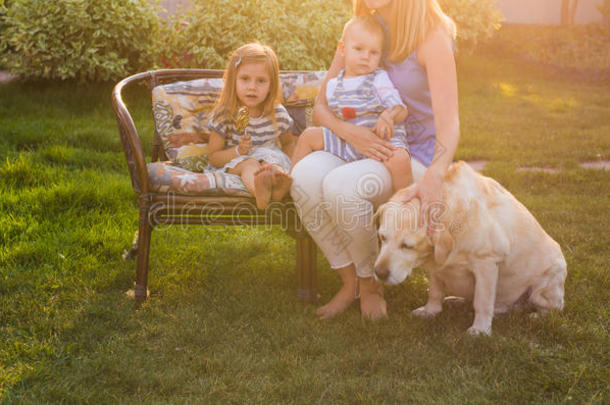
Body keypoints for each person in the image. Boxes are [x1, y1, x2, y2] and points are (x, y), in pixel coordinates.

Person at [290, 0, 460, 320]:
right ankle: (352, 280)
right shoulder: (363, 29)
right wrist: (350, 133)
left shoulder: (432, 36)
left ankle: (371, 285)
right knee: (304, 178)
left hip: (406, 155)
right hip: (356, 144)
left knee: (340, 186)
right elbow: (321, 106)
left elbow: (450, 122)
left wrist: (437, 174)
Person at [291, 15, 413, 192]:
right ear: (342, 48)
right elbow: (327, 116)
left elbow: (400, 109)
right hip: (348, 140)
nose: (366, 57)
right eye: (359, 49)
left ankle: (406, 205)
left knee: (400, 159)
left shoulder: (378, 78)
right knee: (309, 135)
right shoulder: (333, 85)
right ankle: (288, 183)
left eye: (373, 52)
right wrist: (342, 132)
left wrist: (388, 116)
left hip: (380, 139)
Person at [208, 43, 295, 210]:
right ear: (233, 80)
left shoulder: (277, 113)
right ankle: (259, 193)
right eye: (245, 79)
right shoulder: (224, 115)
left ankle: (277, 191)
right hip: (236, 161)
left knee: (273, 167)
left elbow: (289, 142)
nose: (252, 87)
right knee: (250, 164)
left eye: (261, 81)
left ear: (271, 85)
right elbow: (213, 157)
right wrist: (239, 151)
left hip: (268, 156)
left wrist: (290, 165)